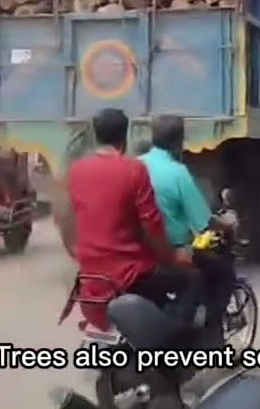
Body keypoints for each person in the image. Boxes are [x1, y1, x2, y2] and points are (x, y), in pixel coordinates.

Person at [64, 108, 203, 329]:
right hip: (129, 272)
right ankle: (179, 340)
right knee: (192, 278)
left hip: (90, 272)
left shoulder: (77, 171)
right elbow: (152, 226)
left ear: (95, 134)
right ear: (125, 136)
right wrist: (171, 257)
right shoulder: (133, 169)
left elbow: (75, 220)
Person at [138, 115, 237, 344]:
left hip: (137, 249)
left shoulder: (136, 164)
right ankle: (212, 334)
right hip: (171, 251)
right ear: (179, 142)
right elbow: (203, 222)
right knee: (222, 273)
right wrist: (227, 226)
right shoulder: (178, 173)